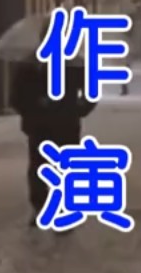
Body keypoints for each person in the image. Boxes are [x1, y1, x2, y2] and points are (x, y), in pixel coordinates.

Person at [9, 57, 96, 226]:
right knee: (39, 168)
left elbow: (91, 91)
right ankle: (40, 208)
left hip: (66, 124)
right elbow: (15, 98)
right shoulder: (28, 67)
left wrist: (79, 109)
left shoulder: (74, 66)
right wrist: (33, 107)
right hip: (39, 125)